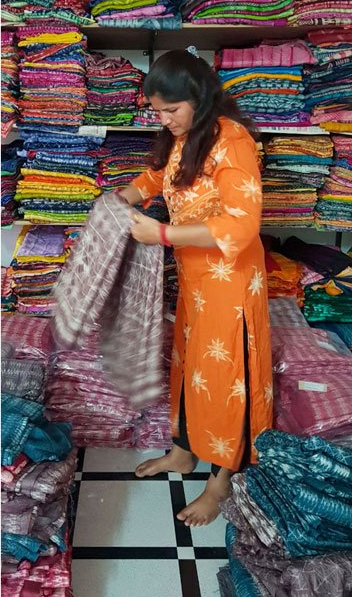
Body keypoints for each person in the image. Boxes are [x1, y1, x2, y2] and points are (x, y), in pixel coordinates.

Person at [116, 50, 270, 526]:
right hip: (197, 280)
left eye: (171, 111)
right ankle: (184, 453)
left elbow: (241, 224)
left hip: (231, 283)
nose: (165, 121)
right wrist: (121, 200)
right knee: (190, 368)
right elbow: (161, 177)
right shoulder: (187, 138)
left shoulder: (232, 141)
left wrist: (160, 234)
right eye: (157, 112)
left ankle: (220, 483)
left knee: (229, 380)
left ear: (199, 99)